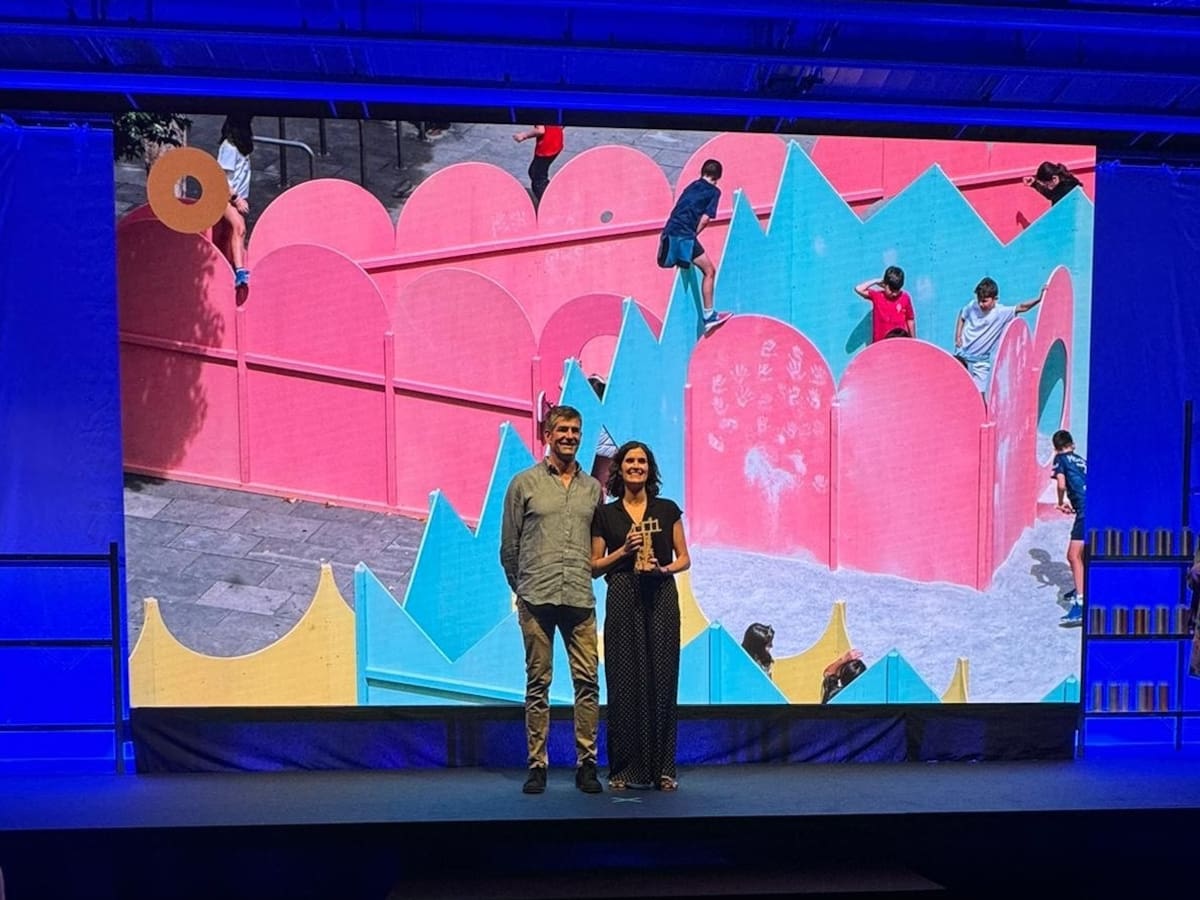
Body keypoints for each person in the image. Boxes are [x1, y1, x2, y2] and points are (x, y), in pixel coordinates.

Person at [500, 405, 603, 795]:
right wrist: (523, 590)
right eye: (563, 430)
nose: (570, 436)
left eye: (575, 430)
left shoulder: (592, 489)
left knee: (587, 682)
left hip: (579, 598)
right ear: (548, 435)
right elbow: (509, 547)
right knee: (538, 684)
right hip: (536, 598)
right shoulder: (523, 484)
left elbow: (597, 545)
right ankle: (537, 765)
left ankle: (587, 764)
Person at [591, 440, 691, 792]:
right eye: (630, 461)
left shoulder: (667, 510)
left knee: (662, 679)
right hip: (622, 595)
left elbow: (684, 558)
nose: (636, 466)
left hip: (660, 594)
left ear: (650, 469)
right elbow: (594, 566)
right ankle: (623, 769)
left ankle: (664, 769)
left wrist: (664, 569)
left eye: (642, 461)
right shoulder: (606, 515)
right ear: (619, 468)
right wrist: (623, 551)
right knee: (623, 681)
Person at [658, 158, 730, 334]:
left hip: (669, 231)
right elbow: (705, 219)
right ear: (717, 177)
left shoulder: (691, 186)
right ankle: (709, 315)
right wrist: (693, 235)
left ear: (702, 172)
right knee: (709, 271)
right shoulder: (714, 192)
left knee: (683, 265)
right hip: (685, 235)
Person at [954, 277, 1045, 395]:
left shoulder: (1001, 312)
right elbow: (962, 315)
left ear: (995, 299)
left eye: (985, 301)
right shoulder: (972, 306)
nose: (981, 304)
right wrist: (958, 336)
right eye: (979, 300)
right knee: (954, 388)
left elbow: (1022, 307)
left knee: (979, 395)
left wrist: (1039, 299)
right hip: (962, 355)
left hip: (980, 363)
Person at [1051, 429, 1087, 627]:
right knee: (1084, 553)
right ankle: (1082, 585)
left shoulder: (1060, 460)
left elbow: (1062, 484)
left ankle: (1081, 603)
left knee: (1073, 556)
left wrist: (1060, 502)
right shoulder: (1080, 460)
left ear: (1056, 448)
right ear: (1072, 444)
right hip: (1093, 508)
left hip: (1084, 511)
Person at [216, 114, 254, 289]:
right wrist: (236, 199)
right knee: (239, 227)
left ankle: (229, 265)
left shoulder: (241, 148)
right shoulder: (229, 148)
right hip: (225, 197)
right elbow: (221, 179)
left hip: (237, 197)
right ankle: (240, 272)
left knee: (230, 233)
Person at [854, 266, 916, 342]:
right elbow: (858, 289)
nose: (894, 294)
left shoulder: (905, 297)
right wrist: (876, 281)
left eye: (897, 290)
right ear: (885, 284)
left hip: (899, 342)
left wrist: (913, 340)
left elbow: (910, 319)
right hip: (880, 343)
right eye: (891, 290)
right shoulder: (877, 296)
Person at [513, 124, 564, 204]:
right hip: (556, 141)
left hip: (546, 147)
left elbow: (540, 130)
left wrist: (523, 135)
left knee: (538, 180)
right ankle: (549, 192)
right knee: (535, 172)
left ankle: (547, 204)